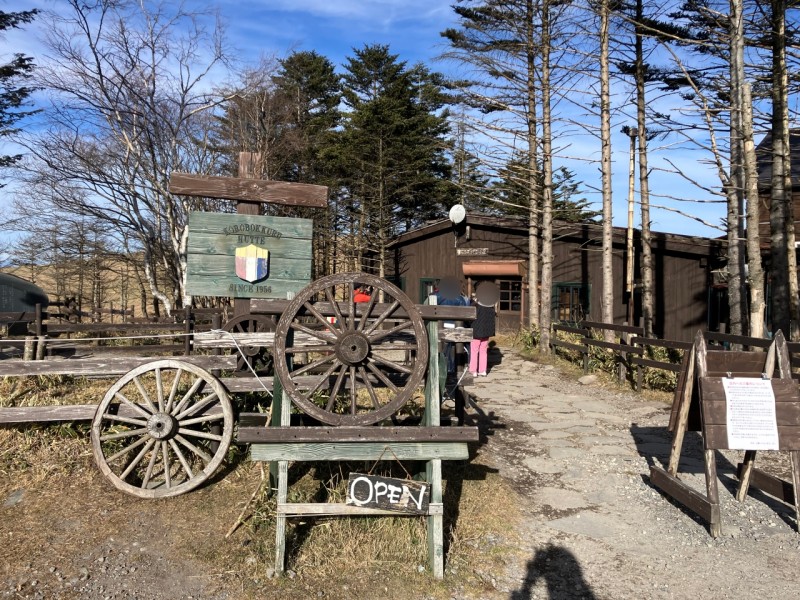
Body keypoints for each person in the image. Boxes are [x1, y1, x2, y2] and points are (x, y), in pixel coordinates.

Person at [469, 291, 496, 377]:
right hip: (486, 332)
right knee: (483, 351)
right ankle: (483, 370)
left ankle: (473, 370)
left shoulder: (475, 306)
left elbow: (470, 317)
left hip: (476, 331)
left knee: (474, 351)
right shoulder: (491, 307)